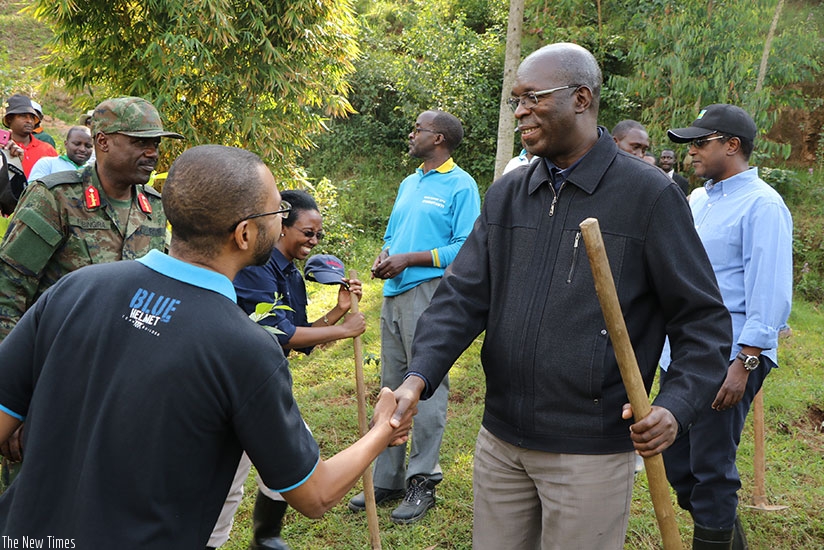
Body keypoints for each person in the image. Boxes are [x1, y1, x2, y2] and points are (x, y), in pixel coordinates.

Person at [390, 42, 732, 549]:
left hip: (589, 452)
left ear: (580, 98)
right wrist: (417, 378)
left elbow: (702, 320)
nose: (521, 110)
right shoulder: (509, 193)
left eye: (532, 97)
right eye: (516, 100)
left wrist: (676, 405)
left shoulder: (649, 196)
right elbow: (462, 297)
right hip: (501, 441)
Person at [0, 144, 414, 547]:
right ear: (245, 233)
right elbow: (314, 494)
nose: (280, 221)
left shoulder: (78, 288)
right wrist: (383, 429)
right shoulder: (244, 348)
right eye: (276, 213)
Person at [0, 96, 183, 489]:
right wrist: (14, 403)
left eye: (156, 143)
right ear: (102, 142)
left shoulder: (155, 208)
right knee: (36, 505)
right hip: (51, 383)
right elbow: (8, 292)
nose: (152, 152)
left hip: (124, 391)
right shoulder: (56, 197)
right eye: (140, 142)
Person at [662, 104, 793, 549]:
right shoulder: (699, 199)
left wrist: (746, 361)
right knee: (676, 462)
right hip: (683, 350)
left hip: (730, 355)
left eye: (700, 143)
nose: (690, 153)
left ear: (732, 145)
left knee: (711, 467)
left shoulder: (763, 205)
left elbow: (769, 288)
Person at [209, 189, 366, 550]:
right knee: (230, 479)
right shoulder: (256, 269)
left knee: (292, 455)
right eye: (307, 232)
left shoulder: (291, 274)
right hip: (237, 384)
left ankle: (266, 536)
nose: (313, 241)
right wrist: (344, 330)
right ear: (281, 227)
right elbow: (284, 333)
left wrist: (341, 310)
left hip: (267, 383)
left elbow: (303, 337)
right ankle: (216, 541)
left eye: (318, 235)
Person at [348, 110, 481, 524]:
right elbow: (392, 235)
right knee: (392, 386)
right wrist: (387, 255)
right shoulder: (410, 182)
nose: (411, 134)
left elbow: (466, 247)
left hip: (429, 295)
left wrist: (411, 259)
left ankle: (423, 479)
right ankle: (388, 477)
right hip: (393, 295)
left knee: (427, 386)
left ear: (438, 138)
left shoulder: (461, 185)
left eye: (418, 129)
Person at [2, 94, 58, 177]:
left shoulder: (47, 150)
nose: (29, 121)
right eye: (23, 116)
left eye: (32, 117)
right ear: (10, 119)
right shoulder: (3, 148)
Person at [28, 125, 94, 181]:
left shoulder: (94, 171)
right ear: (66, 144)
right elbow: (33, 191)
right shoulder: (47, 164)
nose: (82, 149)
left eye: (88, 146)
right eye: (77, 144)